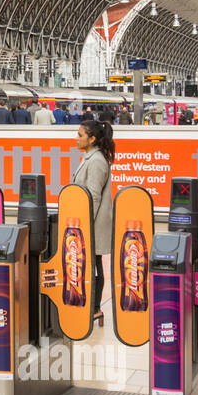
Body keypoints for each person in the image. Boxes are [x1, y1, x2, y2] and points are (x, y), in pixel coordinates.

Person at [73, 118, 115, 327]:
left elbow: (94, 196)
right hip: (90, 222)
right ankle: (92, 306)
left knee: (94, 265)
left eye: (80, 135)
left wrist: (85, 225)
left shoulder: (97, 160)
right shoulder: (91, 157)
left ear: (92, 139)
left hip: (93, 224)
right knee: (92, 265)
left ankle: (95, 308)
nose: (76, 138)